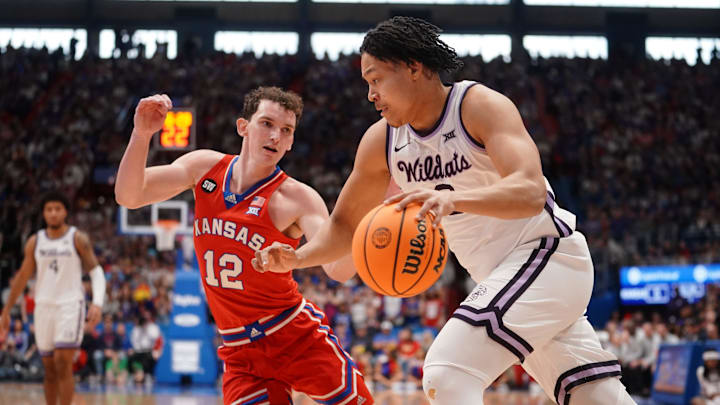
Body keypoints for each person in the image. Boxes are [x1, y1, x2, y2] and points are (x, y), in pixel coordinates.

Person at [253, 16, 635, 405]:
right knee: (597, 397)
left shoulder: (478, 106)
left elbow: (530, 191)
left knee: (447, 371)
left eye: (376, 79)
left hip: (547, 258)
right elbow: (344, 228)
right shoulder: (381, 141)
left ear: (413, 68)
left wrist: (455, 199)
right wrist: (296, 258)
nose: (370, 94)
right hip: (503, 278)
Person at [114, 87, 372, 404]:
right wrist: (141, 135)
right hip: (239, 349)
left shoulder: (297, 198)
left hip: (294, 335)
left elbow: (339, 269)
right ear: (243, 127)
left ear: (291, 142)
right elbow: (129, 195)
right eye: (267, 123)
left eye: (286, 130)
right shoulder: (204, 167)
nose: (276, 136)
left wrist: (370, 228)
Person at [0, 191, 105, 405]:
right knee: (48, 368)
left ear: (65, 211)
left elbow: (96, 272)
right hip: (43, 306)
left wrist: (98, 302)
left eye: (58, 209)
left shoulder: (77, 238)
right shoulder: (35, 242)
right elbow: (22, 276)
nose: (54, 213)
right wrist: (6, 309)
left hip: (70, 305)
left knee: (62, 362)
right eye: (49, 209)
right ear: (44, 213)